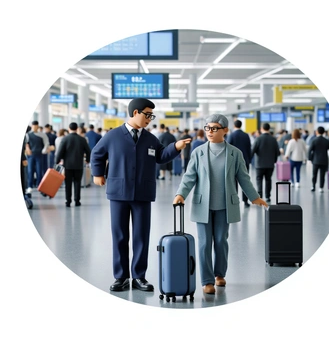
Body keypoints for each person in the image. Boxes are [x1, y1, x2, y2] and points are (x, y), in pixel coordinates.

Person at [90, 98, 191, 293]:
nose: (150, 119)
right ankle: (120, 277)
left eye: (151, 116)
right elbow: (97, 154)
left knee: (141, 236)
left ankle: (138, 276)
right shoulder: (113, 136)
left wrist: (175, 147)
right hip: (119, 193)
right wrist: (97, 174)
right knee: (119, 236)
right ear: (135, 113)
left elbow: (161, 156)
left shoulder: (150, 138)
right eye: (147, 114)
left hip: (143, 193)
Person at [173, 114, 268, 295]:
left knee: (221, 241)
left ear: (225, 130)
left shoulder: (235, 153)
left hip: (225, 205)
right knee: (204, 243)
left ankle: (219, 274)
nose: (210, 131)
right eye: (208, 128)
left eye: (214, 128)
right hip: (203, 205)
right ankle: (207, 280)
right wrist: (180, 194)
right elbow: (189, 176)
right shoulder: (198, 152)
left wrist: (254, 197)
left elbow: (243, 178)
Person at [55, 122, 91, 207]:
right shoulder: (82, 139)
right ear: (77, 128)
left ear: (69, 128)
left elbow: (60, 152)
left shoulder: (65, 139)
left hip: (67, 165)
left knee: (68, 183)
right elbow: (88, 151)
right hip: (79, 165)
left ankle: (68, 201)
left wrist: (57, 161)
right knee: (77, 182)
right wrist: (87, 160)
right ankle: (77, 201)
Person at [251, 123, 280, 202]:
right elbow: (278, 152)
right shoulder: (273, 139)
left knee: (259, 179)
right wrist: (274, 160)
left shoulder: (258, 139)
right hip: (270, 164)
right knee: (268, 180)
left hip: (259, 164)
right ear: (269, 129)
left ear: (261, 129)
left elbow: (252, 151)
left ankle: (260, 196)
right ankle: (268, 196)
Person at [227, 119, 252, 206]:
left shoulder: (231, 135)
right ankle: (245, 201)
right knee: (245, 181)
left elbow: (227, 149)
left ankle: (235, 200)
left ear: (234, 125)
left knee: (233, 181)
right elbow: (249, 148)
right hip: (245, 161)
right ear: (241, 125)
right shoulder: (246, 135)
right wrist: (249, 160)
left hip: (233, 162)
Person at [25, 120, 50, 194]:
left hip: (39, 154)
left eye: (36, 126)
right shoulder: (28, 135)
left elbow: (46, 143)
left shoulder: (42, 135)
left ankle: (40, 185)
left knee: (39, 171)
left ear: (38, 126)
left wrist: (44, 150)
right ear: (32, 126)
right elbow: (26, 144)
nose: (35, 127)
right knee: (30, 171)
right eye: (34, 126)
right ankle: (30, 186)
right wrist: (28, 149)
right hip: (31, 155)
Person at [307, 126, 329, 193]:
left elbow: (309, 150)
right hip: (324, 160)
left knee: (314, 174)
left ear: (317, 132)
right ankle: (321, 188)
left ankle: (313, 186)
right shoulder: (327, 141)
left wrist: (310, 158)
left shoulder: (314, 140)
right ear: (324, 132)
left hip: (315, 160)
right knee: (322, 175)